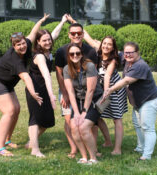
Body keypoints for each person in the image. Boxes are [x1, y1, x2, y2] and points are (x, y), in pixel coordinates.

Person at [0, 13, 49, 156]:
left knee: (16, 108)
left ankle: (8, 140)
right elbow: (26, 77)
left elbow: (33, 33)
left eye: (23, 43)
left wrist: (40, 20)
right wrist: (33, 93)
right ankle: (0, 147)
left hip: (6, 83)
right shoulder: (14, 59)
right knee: (9, 111)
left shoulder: (26, 44)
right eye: (18, 45)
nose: (22, 46)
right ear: (13, 46)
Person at [102, 42, 157, 160]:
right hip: (138, 101)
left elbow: (125, 81)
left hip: (149, 100)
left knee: (147, 127)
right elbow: (100, 44)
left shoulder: (140, 65)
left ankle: (146, 155)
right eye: (126, 52)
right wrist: (85, 35)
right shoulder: (126, 59)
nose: (128, 55)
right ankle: (141, 147)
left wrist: (109, 90)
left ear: (138, 53)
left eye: (131, 52)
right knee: (137, 124)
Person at [25, 14, 68, 157]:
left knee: (48, 121)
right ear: (38, 42)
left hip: (44, 89)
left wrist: (62, 21)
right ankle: (35, 149)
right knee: (35, 119)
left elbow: (54, 34)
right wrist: (51, 95)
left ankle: (32, 141)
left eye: (49, 40)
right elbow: (46, 75)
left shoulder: (47, 50)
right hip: (35, 89)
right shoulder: (39, 56)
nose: (48, 42)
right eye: (44, 40)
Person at [55, 22, 99, 158]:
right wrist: (65, 94)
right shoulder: (61, 51)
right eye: (73, 33)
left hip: (88, 92)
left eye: (79, 33)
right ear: (69, 35)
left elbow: (93, 78)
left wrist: (85, 109)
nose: (76, 35)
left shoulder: (91, 51)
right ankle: (74, 149)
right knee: (70, 120)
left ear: (83, 34)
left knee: (91, 123)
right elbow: (59, 74)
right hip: (69, 89)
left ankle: (93, 149)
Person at [63, 43, 103, 164]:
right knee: (74, 126)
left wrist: (84, 112)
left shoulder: (89, 66)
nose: (75, 55)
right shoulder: (66, 69)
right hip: (80, 100)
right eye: (72, 54)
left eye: (77, 53)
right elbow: (70, 92)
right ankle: (84, 157)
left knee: (84, 127)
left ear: (81, 54)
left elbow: (90, 90)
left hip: (97, 100)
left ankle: (93, 158)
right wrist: (76, 112)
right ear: (68, 56)